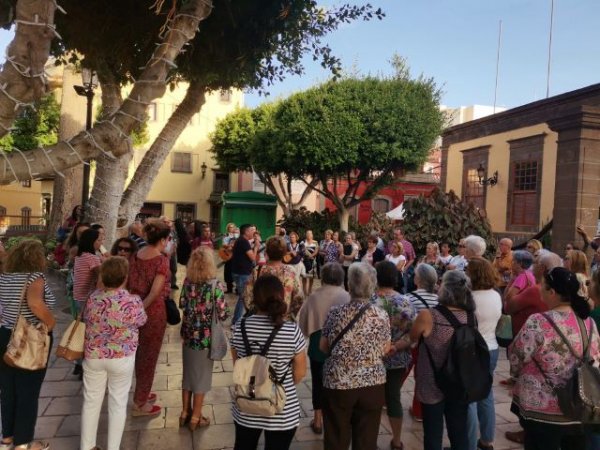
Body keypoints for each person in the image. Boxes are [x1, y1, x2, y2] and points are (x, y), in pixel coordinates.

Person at [509, 267, 600, 450]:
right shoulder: (588, 322)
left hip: (541, 408)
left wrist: (516, 376)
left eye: (542, 285)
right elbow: (595, 359)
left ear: (552, 292)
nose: (539, 288)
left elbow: (516, 357)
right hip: (577, 404)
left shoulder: (538, 321)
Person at [320, 263, 391, 450]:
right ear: (373, 286)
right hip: (372, 384)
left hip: (339, 383)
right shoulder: (381, 315)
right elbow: (385, 349)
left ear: (349, 285)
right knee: (367, 441)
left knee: (336, 438)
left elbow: (323, 346)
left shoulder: (335, 312)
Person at [231, 275, 307, 450]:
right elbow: (300, 373)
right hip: (281, 411)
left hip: (246, 405)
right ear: (280, 296)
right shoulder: (291, 330)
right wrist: (276, 384)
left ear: (255, 298)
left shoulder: (240, 327)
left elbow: (238, 367)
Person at [80, 257, 147, 450]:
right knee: (118, 403)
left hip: (94, 355)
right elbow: (142, 320)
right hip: (122, 357)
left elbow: (86, 317)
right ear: (125, 277)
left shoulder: (93, 297)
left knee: (91, 401)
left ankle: (87, 446)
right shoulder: (132, 301)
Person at [0, 240, 56, 450]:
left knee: (8, 391)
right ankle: (23, 443)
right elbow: (35, 304)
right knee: (28, 392)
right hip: (29, 338)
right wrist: (50, 324)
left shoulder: (4, 277)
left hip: (5, 335)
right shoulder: (34, 277)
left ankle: (7, 439)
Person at [410, 270, 474, 450]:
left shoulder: (429, 315)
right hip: (459, 381)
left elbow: (412, 337)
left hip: (432, 382)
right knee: (459, 431)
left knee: (432, 433)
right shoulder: (470, 316)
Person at [179, 247, 229, 430]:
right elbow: (223, 314)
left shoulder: (187, 282)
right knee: (201, 378)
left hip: (188, 335)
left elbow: (182, 303)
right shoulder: (215, 285)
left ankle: (184, 413)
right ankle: (196, 417)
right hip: (206, 339)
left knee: (188, 376)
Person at [297, 262, 350, 435]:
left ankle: (318, 420)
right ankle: (335, 418)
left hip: (317, 345)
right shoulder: (347, 296)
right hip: (340, 346)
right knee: (338, 383)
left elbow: (304, 323)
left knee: (318, 383)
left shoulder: (314, 296)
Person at [128, 219, 171, 416]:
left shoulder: (135, 255)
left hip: (131, 307)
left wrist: (133, 309)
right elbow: (155, 292)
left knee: (136, 354)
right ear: (163, 239)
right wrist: (141, 309)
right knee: (148, 357)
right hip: (152, 313)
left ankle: (141, 392)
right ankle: (140, 402)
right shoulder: (162, 260)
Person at [371, 261, 416, 450]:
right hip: (397, 358)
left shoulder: (370, 301)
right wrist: (396, 347)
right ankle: (397, 440)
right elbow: (413, 334)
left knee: (372, 400)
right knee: (393, 398)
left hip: (373, 359)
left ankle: (369, 440)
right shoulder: (405, 302)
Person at [465, 258, 502, 450]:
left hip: (473, 349)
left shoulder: (469, 297)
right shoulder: (495, 295)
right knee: (486, 395)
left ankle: (468, 443)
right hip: (492, 347)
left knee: (469, 396)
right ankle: (487, 440)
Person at [404, 263, 439, 423]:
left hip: (412, 342)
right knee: (422, 376)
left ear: (418, 279)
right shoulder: (439, 300)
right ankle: (419, 411)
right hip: (431, 344)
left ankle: (386, 400)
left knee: (402, 372)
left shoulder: (409, 298)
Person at [244, 236, 302, 318]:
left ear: (266, 252)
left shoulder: (257, 270)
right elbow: (299, 297)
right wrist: (290, 316)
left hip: (261, 318)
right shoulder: (291, 271)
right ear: (284, 252)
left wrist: (255, 314)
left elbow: (247, 296)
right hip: (283, 319)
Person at [72, 228, 103, 377]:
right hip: (87, 300)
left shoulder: (80, 256)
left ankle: (78, 363)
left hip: (78, 298)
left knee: (81, 331)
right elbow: (101, 276)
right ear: (92, 242)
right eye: (99, 240)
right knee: (89, 334)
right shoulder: (92, 258)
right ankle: (84, 365)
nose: (101, 243)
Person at [231, 224, 261, 324]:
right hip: (242, 273)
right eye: (252, 230)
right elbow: (253, 258)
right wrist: (256, 247)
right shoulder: (243, 242)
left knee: (244, 297)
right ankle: (236, 321)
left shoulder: (241, 241)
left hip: (238, 271)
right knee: (242, 297)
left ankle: (245, 317)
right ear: (246, 232)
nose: (254, 232)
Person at [388, 228, 416, 292]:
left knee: (403, 287)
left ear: (402, 235)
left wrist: (405, 268)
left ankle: (404, 299)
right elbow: (387, 255)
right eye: (394, 234)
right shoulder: (390, 243)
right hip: (390, 269)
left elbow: (412, 259)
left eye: (396, 234)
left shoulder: (408, 245)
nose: (394, 236)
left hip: (402, 269)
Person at [301, 230, 319, 295]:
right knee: (304, 276)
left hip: (312, 261)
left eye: (310, 234)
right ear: (306, 235)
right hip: (305, 261)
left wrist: (311, 256)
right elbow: (302, 251)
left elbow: (316, 251)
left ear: (312, 235)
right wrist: (307, 256)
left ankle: (309, 290)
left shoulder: (315, 242)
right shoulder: (302, 242)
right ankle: (304, 291)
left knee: (311, 277)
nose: (308, 235)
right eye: (307, 234)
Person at [222, 222, 238, 293]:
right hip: (228, 255)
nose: (232, 229)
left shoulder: (238, 235)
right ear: (228, 229)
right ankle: (229, 288)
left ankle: (238, 289)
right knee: (228, 272)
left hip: (236, 256)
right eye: (230, 227)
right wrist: (229, 246)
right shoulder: (226, 236)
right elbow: (224, 245)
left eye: (233, 227)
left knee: (237, 271)